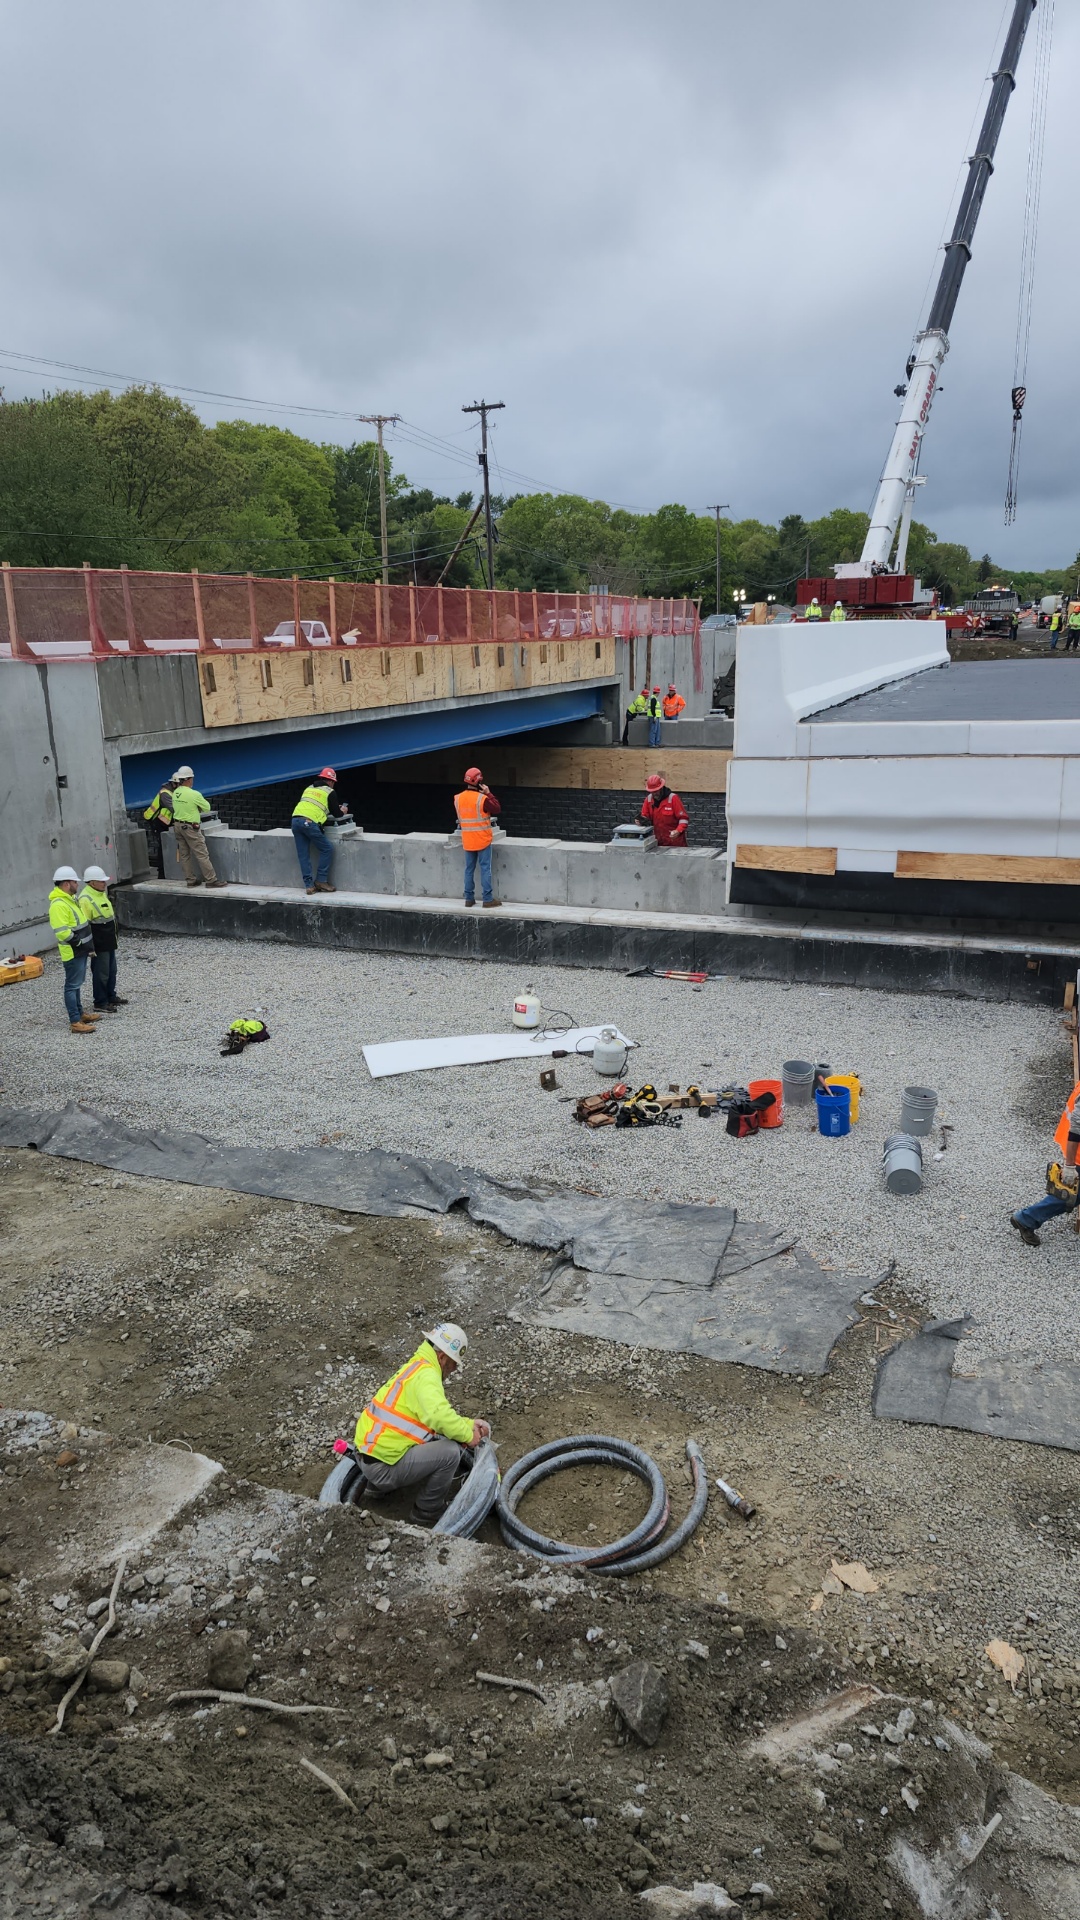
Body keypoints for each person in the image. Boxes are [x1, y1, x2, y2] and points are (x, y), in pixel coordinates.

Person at [353, 1322, 491, 1525]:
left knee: (430, 1437)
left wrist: (468, 1423)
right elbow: (439, 1417)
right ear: (443, 1357)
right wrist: (469, 1435)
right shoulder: (427, 1377)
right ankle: (427, 1510)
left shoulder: (416, 1366)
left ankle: (376, 1488)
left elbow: (429, 1416)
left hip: (367, 1455)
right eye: (454, 1364)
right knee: (449, 1453)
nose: (453, 1371)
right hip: (382, 1467)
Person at [1011, 1081, 1080, 1245]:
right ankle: (1026, 1219)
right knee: (1071, 1196)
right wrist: (1069, 1166)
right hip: (1077, 1155)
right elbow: (1076, 1130)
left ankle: (1027, 1218)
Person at [48, 866, 97, 1034]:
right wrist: (79, 943)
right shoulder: (59, 905)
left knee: (76, 985)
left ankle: (80, 1014)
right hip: (73, 952)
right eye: (75, 881)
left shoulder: (69, 900)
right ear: (67, 884)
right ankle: (75, 1021)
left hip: (79, 950)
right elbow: (63, 932)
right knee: (72, 985)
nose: (77, 884)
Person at [79, 865, 127, 1012]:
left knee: (112, 970)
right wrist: (89, 947)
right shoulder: (85, 899)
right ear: (91, 882)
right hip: (99, 944)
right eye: (101, 881)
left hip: (109, 941)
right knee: (102, 972)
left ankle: (110, 996)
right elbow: (84, 926)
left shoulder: (100, 894)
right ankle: (100, 1002)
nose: (104, 883)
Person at [291, 767, 345, 894]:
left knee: (303, 855)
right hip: (309, 822)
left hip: (295, 821)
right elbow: (337, 814)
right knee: (327, 848)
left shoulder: (309, 788)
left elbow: (314, 804)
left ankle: (309, 886)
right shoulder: (329, 791)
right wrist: (342, 811)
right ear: (331, 781)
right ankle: (321, 880)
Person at [454, 767, 502, 908]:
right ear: (479, 781)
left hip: (468, 839)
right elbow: (497, 808)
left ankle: (469, 898)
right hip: (482, 839)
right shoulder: (482, 799)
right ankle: (487, 900)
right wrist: (489, 793)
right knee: (485, 868)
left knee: (469, 869)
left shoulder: (458, 798)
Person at [171, 767, 226, 888]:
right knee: (201, 854)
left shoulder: (176, 793)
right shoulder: (194, 794)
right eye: (192, 778)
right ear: (188, 779)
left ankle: (190, 880)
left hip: (177, 826)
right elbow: (207, 807)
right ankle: (211, 880)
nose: (193, 781)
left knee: (185, 855)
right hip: (190, 828)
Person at [640, 772, 689, 846]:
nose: (654, 794)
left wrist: (678, 831)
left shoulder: (673, 798)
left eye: (656, 791)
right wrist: (640, 821)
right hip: (657, 841)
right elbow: (645, 818)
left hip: (674, 842)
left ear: (661, 788)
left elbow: (683, 819)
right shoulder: (648, 800)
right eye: (652, 792)